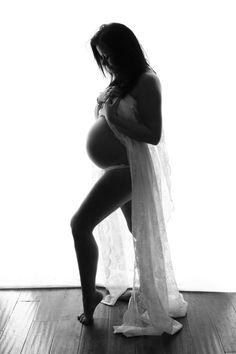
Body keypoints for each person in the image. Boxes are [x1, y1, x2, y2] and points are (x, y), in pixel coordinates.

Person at [70, 23, 187, 336]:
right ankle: (153, 297)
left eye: (109, 55)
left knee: (79, 225)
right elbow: (112, 120)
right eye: (102, 58)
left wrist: (113, 116)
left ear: (125, 50)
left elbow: (153, 134)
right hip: (119, 167)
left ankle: (88, 298)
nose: (106, 63)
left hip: (128, 169)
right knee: (139, 231)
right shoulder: (120, 80)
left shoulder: (148, 81)